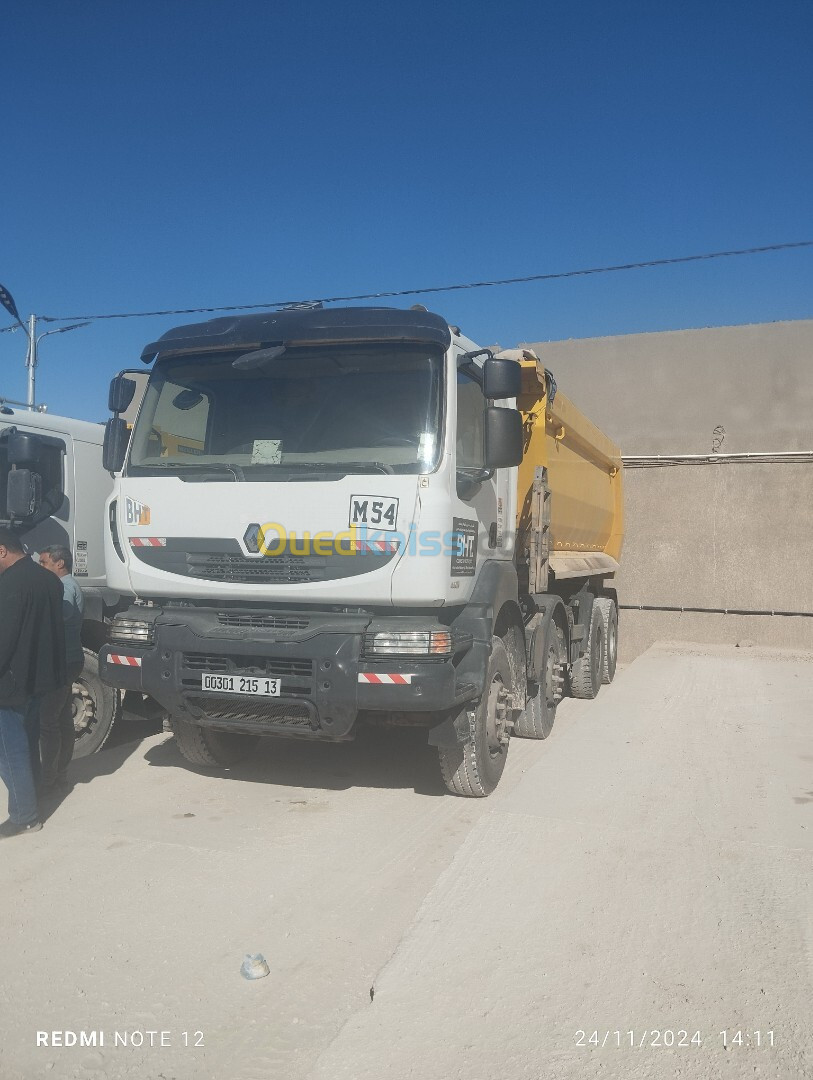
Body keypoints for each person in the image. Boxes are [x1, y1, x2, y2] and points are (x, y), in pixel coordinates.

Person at [0, 528, 66, 838]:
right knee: (26, 742)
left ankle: (25, 816)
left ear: (2, 551)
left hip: (10, 684)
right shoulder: (51, 581)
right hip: (40, 680)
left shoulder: (10, 584)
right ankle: (35, 797)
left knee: (10, 750)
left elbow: (4, 640)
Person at [36, 546, 85, 790]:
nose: (41, 567)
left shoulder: (65, 587)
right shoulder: (69, 585)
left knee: (48, 721)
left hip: (64, 661)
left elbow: (60, 614)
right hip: (70, 659)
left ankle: (49, 777)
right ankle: (60, 774)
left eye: (44, 562)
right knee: (63, 718)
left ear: (60, 563)